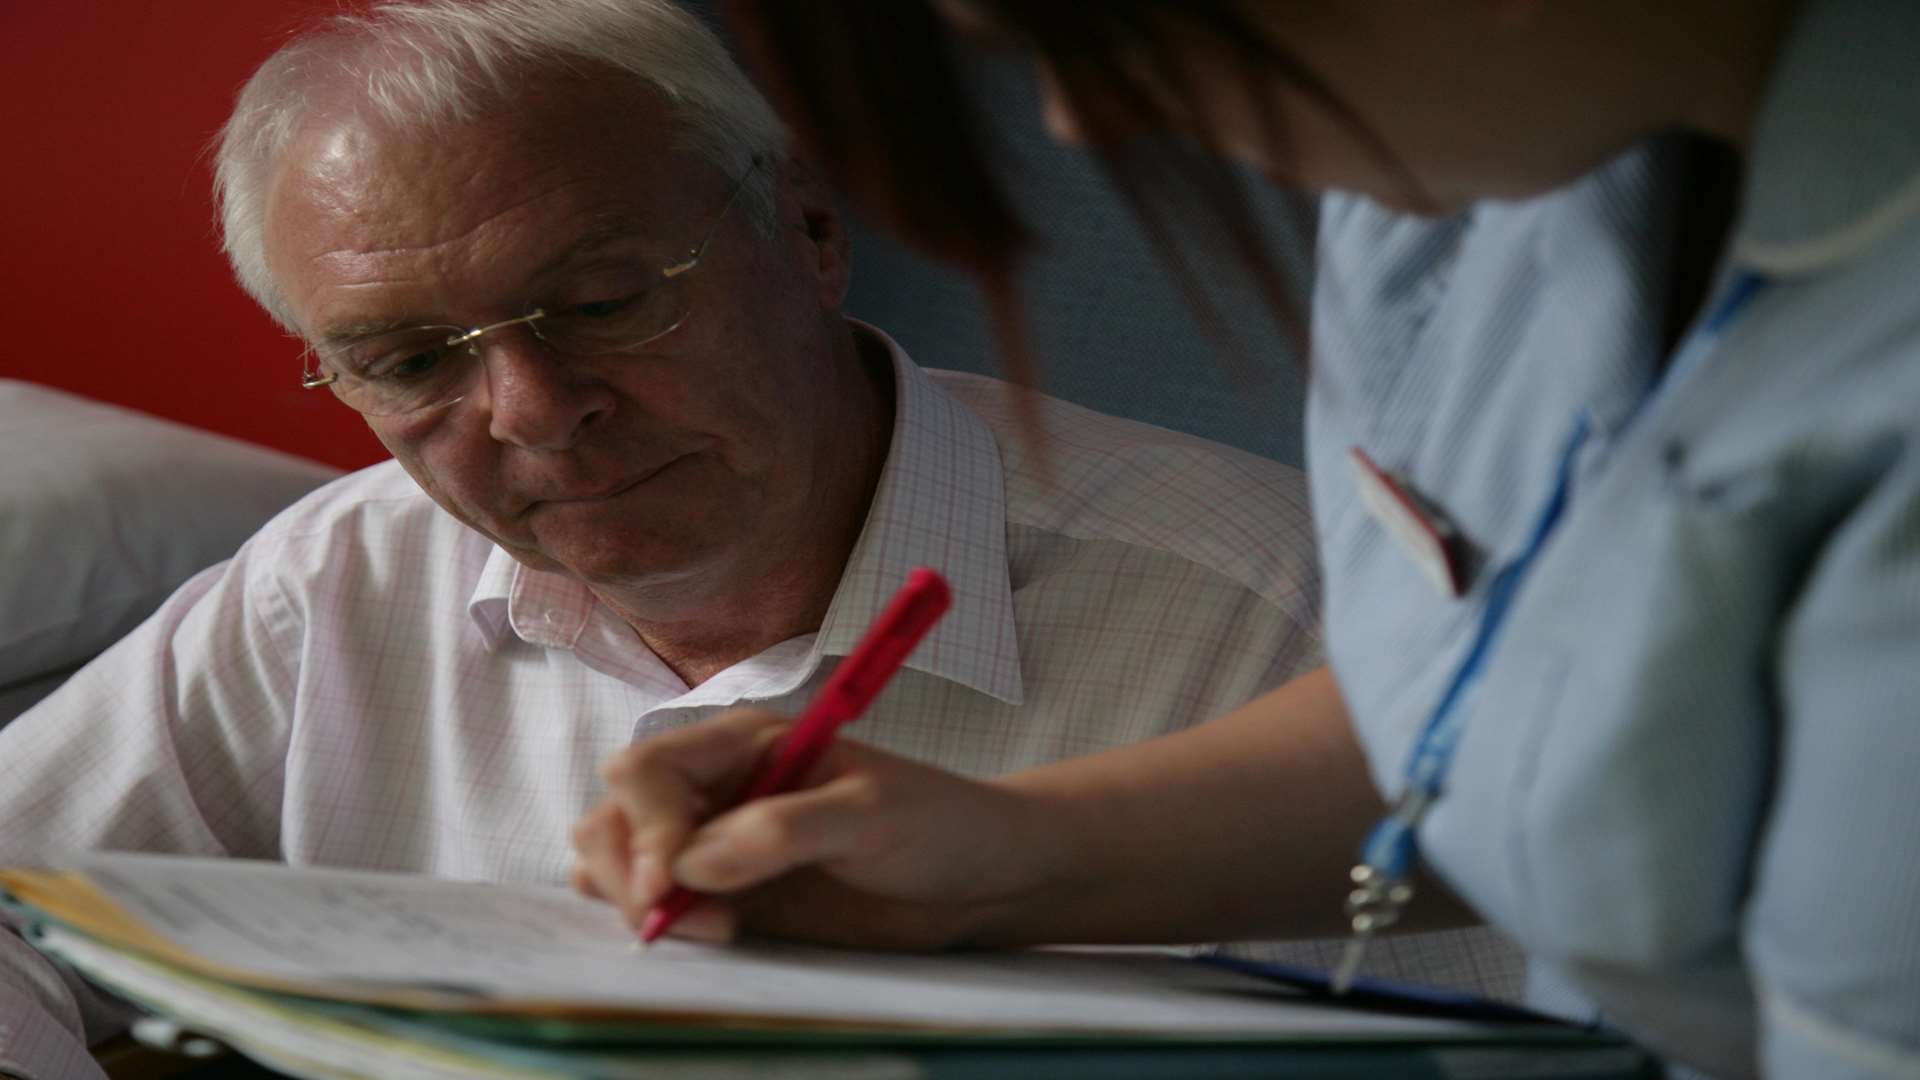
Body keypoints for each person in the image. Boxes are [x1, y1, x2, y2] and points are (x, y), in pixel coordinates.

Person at [0, 2, 1532, 1077]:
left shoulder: (1290, 620)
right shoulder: (333, 583)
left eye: (605, 301)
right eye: (412, 360)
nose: (534, 411)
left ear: (806, 232)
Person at [569, 1, 1920, 1077]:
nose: (1082, 116)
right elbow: (1545, 705)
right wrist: (1000, 860)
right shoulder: (1454, 177)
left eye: (1109, 26)